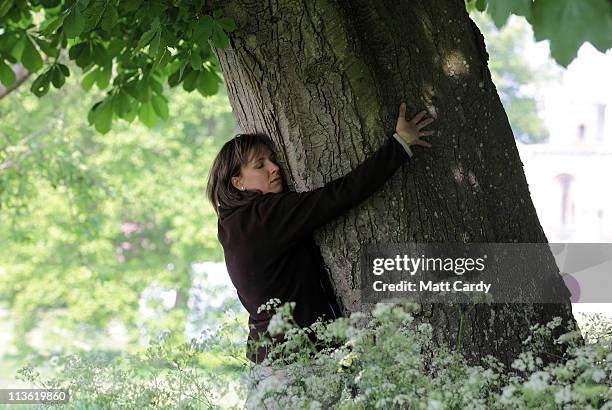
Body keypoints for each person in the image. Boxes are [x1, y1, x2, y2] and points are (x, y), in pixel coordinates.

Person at [206, 102, 435, 405]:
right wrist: (399, 146)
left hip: (273, 368)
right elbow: (337, 196)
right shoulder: (265, 216)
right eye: (260, 166)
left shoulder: (232, 224)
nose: (275, 169)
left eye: (273, 160)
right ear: (237, 181)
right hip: (294, 369)